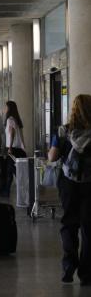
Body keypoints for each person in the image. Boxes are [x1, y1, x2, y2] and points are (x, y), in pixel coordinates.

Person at [48, 94, 91, 285]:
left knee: (68, 224)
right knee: (88, 229)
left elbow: (52, 157)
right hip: (90, 185)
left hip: (68, 183)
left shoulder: (64, 131)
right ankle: (86, 274)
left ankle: (68, 266)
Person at [0, 100, 27, 197]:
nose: (4, 109)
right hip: (18, 149)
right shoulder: (16, 120)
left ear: (9, 109)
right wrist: (23, 146)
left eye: (6, 107)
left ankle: (10, 191)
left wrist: (10, 147)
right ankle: (8, 191)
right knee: (12, 171)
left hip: (12, 148)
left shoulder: (10, 119)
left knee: (12, 170)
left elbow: (12, 133)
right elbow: (20, 135)